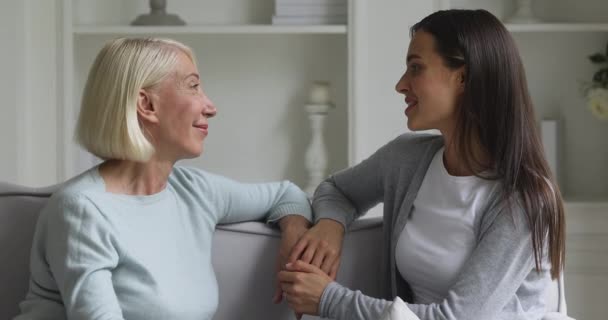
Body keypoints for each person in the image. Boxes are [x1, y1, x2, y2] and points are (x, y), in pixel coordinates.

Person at [278, 9, 568, 320]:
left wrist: (328, 300)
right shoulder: (408, 159)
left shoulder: (524, 199)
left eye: (415, 68)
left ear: (464, 78)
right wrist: (330, 226)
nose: (401, 85)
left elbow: (456, 318)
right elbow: (337, 189)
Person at [14, 37, 312, 320]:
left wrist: (293, 236)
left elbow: (287, 195)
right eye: (193, 87)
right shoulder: (83, 210)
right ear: (147, 105)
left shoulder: (194, 191)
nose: (211, 107)